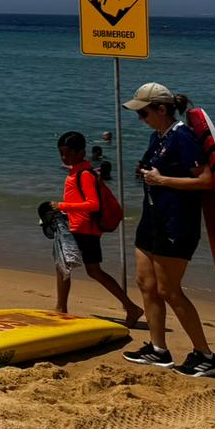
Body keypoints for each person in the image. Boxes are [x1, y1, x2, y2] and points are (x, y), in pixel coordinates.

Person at [120, 83, 215, 377]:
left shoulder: (183, 138)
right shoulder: (158, 136)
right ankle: (158, 349)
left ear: (161, 109)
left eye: (144, 112)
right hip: (152, 219)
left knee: (169, 290)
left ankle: (205, 354)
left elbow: (205, 181)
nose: (141, 118)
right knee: (146, 285)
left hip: (177, 225)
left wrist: (162, 180)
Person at [47, 131, 142, 324]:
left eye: (69, 153)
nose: (65, 157)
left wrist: (62, 206)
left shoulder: (85, 174)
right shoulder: (78, 170)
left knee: (63, 266)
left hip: (82, 228)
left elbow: (93, 204)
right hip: (80, 227)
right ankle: (131, 307)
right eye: (62, 154)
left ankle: (61, 308)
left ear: (81, 152)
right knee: (92, 271)